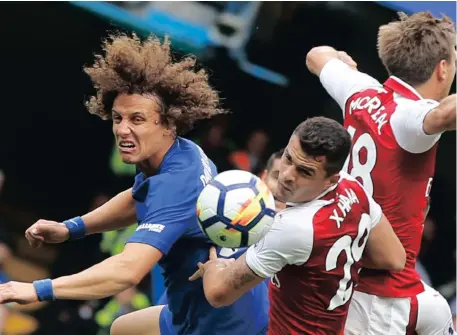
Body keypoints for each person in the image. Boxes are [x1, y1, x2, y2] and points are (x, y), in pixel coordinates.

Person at [0, 33, 269, 335]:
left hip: (218, 326)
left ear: (169, 123)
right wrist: (71, 228)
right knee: (123, 329)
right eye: (117, 118)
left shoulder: (176, 184)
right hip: (208, 308)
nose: (123, 130)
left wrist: (37, 290)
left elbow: (126, 272)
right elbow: (138, 196)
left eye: (137, 119)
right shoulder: (183, 154)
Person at [306, 11, 456, 334]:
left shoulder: (360, 89)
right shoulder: (413, 118)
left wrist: (338, 58)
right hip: (380, 299)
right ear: (442, 69)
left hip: (354, 272)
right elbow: (444, 114)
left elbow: (315, 56)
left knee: (440, 312)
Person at [189, 117, 406, 335]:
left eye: (305, 171)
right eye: (288, 158)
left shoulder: (292, 228)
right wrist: (328, 264)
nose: (287, 175)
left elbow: (218, 294)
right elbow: (393, 258)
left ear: (330, 180)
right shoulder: (353, 188)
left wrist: (213, 267)